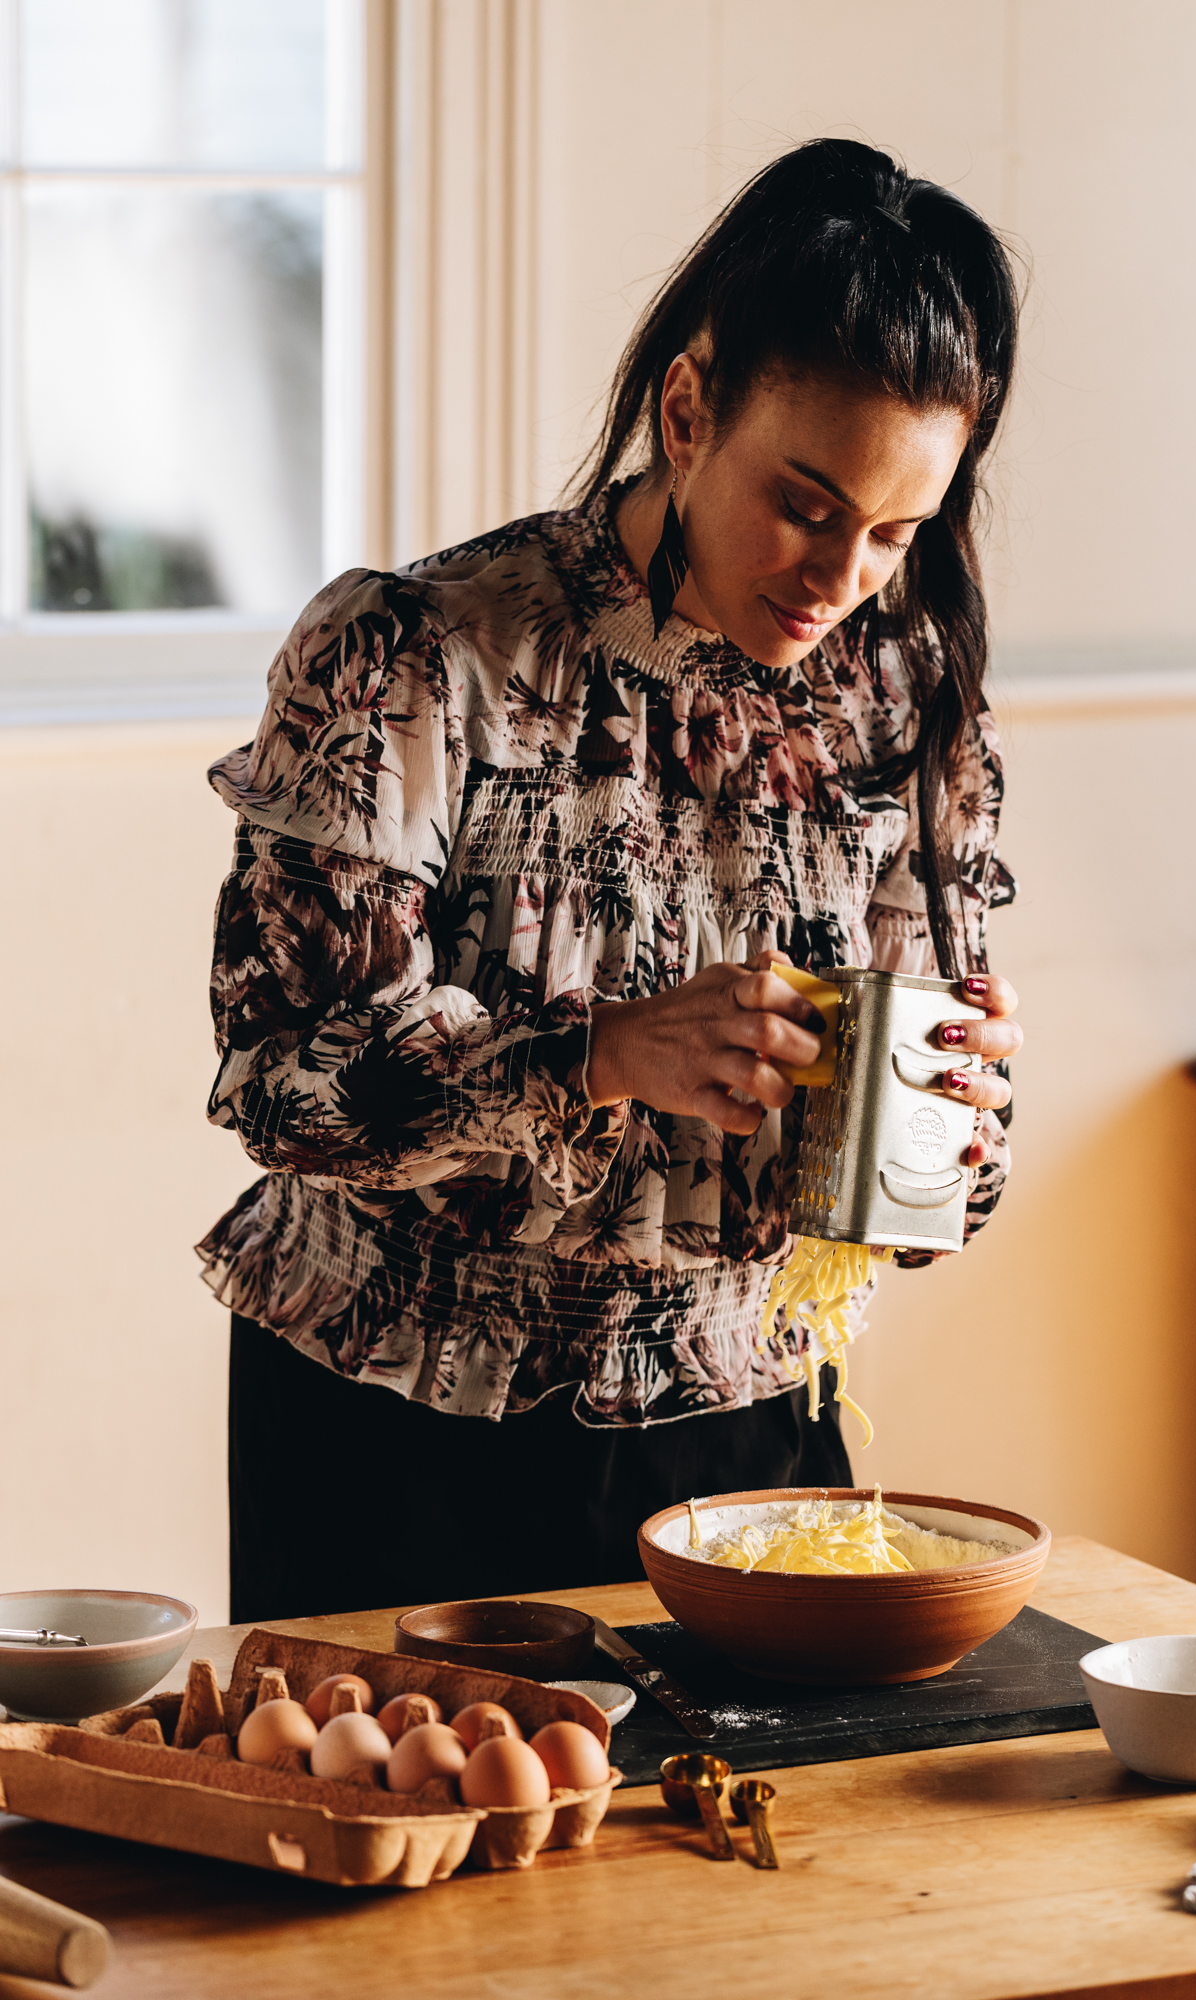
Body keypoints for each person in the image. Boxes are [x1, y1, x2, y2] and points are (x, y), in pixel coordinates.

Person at [197, 137, 1024, 1622]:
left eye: (895, 533)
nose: (841, 577)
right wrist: (602, 1056)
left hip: (746, 1425)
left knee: (765, 1849)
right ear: (689, 406)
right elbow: (276, 1088)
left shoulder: (905, 696)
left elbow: (920, 1199)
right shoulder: (410, 654)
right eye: (807, 504)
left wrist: (945, 1124)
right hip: (397, 1426)